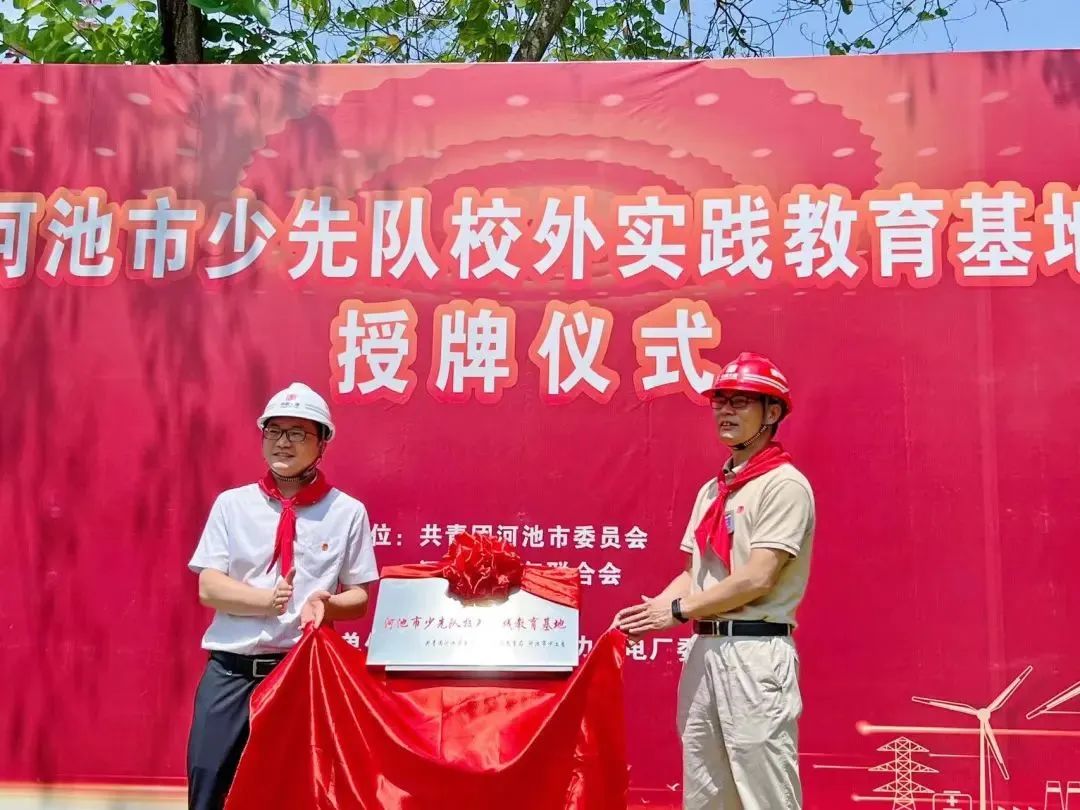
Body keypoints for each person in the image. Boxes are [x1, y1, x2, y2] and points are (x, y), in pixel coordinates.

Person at [614, 352, 814, 810]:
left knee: (766, 794)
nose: (725, 411)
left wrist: (677, 611)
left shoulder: (784, 484)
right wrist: (648, 614)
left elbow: (758, 577)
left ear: (772, 413)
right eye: (720, 401)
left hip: (755, 652)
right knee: (705, 793)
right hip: (705, 649)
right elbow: (694, 574)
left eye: (740, 402)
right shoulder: (714, 489)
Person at [186, 382, 378, 810]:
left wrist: (326, 604)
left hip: (300, 675)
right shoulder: (232, 505)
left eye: (297, 433)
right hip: (230, 672)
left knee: (298, 793)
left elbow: (360, 597)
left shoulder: (347, 512)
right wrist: (265, 601)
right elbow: (209, 586)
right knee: (209, 783)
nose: (282, 443)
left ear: (322, 443)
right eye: (274, 431)